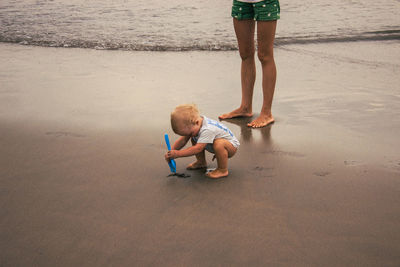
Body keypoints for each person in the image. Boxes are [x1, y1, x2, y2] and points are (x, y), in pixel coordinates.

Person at [219, 0, 280, 128]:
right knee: (245, 54)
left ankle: (267, 113)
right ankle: (245, 107)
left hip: (266, 2)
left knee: (265, 55)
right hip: (242, 1)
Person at [165, 104, 240, 179]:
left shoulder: (207, 129)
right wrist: (171, 151)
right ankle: (201, 162)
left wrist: (178, 154)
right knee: (194, 138)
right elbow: (183, 140)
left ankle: (222, 170)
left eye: (190, 133)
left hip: (231, 146)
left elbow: (197, 149)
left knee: (218, 143)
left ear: (196, 122)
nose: (189, 135)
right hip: (215, 144)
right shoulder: (194, 124)